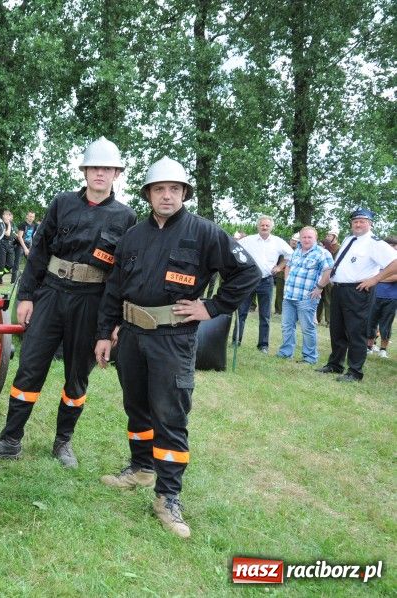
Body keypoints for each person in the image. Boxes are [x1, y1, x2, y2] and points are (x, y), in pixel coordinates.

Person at [95, 157, 260, 539]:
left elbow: (247, 272)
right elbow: (114, 288)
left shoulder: (205, 233)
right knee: (135, 406)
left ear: (184, 193)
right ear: (148, 195)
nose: (166, 195)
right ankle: (140, 467)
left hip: (173, 338)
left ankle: (167, 496)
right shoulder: (133, 236)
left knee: (170, 416)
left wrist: (213, 307)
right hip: (132, 336)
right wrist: (105, 332)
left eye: (174, 189)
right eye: (158, 189)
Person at [0, 137, 136, 468]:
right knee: (29, 368)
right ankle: (11, 439)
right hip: (51, 293)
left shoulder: (126, 217)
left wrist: (111, 324)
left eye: (107, 169)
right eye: (94, 167)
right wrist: (26, 296)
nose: (100, 173)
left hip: (92, 300)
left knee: (77, 377)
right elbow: (39, 251)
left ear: (116, 174)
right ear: (85, 171)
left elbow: (121, 277)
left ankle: (63, 442)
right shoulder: (62, 203)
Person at [316, 208, 397, 382]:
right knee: (337, 329)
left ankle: (355, 371)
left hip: (358, 291)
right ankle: (335, 364)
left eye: (362, 221)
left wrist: (376, 279)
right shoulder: (349, 239)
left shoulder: (375, 243)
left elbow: (395, 262)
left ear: (370, 223)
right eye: (355, 221)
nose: (358, 224)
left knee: (356, 331)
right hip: (339, 289)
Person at [233, 215, 292, 352]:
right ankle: (236, 341)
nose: (264, 227)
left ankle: (263, 345)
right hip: (249, 280)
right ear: (258, 226)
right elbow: (234, 250)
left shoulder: (278, 242)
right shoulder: (248, 240)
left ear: (271, 227)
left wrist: (279, 267)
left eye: (267, 225)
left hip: (266, 281)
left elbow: (290, 255)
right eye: (262, 225)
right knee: (241, 312)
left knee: (265, 315)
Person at [274, 226, 333, 364]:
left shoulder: (322, 253)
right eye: (304, 237)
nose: (306, 239)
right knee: (287, 326)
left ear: (315, 238)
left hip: (307, 298)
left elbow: (329, 271)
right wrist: (288, 281)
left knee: (307, 328)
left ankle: (310, 357)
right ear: (300, 238)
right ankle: (286, 353)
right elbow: (288, 266)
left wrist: (319, 287)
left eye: (309, 237)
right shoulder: (296, 251)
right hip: (289, 296)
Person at [366, 236, 397, 358]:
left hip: (391, 297)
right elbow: (370, 274)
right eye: (389, 246)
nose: (392, 248)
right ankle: (369, 346)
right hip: (374, 295)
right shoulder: (378, 259)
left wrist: (377, 279)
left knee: (386, 324)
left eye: (394, 246)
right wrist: (376, 278)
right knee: (370, 321)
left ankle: (383, 349)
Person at [318, 231, 340, 325]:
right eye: (326, 235)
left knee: (328, 299)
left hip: (331, 276)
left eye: (329, 235)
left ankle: (329, 320)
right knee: (318, 298)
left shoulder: (339, 248)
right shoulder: (324, 246)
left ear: (335, 237)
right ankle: (316, 318)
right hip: (321, 275)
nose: (327, 237)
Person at [0, 209, 17, 285]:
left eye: (9, 215)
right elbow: (7, 233)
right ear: (3, 216)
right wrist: (9, 224)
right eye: (6, 215)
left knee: (10, 264)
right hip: (2, 245)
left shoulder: (12, 224)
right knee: (1, 264)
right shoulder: (1, 224)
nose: (8, 216)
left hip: (10, 246)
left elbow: (13, 234)